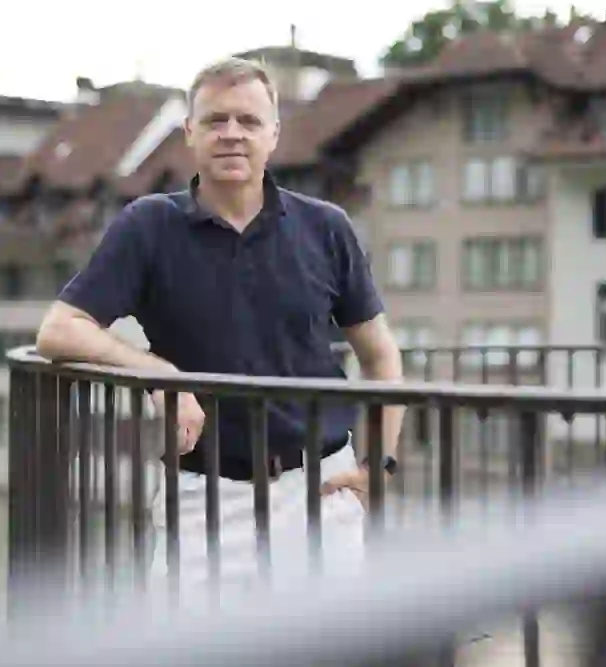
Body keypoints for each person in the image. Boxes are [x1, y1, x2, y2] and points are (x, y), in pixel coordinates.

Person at [35, 56, 405, 602]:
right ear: (190, 133)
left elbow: (380, 356)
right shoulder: (148, 226)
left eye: (249, 121)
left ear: (274, 135)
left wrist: (381, 467)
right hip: (202, 495)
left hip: (320, 490)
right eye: (215, 120)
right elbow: (59, 330)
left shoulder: (326, 227)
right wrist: (162, 374)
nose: (232, 134)